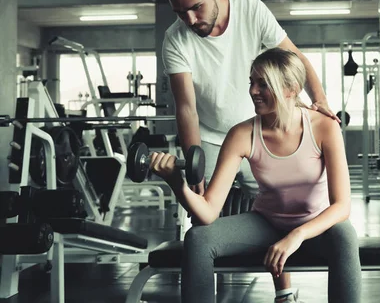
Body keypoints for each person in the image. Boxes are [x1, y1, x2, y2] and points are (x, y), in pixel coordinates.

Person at [160, 0, 339, 300]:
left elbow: (294, 60)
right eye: (180, 13)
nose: (190, 19)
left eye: (196, 8)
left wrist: (320, 101)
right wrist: (193, 160)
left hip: (263, 131)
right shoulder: (176, 39)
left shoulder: (251, 10)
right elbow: (186, 107)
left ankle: (284, 292)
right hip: (213, 138)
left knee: (278, 213)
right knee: (203, 222)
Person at [150, 48, 362, 303]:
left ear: (291, 89)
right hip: (266, 223)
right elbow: (207, 212)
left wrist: (296, 235)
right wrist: (176, 182)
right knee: (198, 238)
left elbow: (342, 206)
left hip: (313, 226)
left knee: (345, 234)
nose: (253, 91)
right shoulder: (242, 134)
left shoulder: (324, 127)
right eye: (252, 82)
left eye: (263, 84)